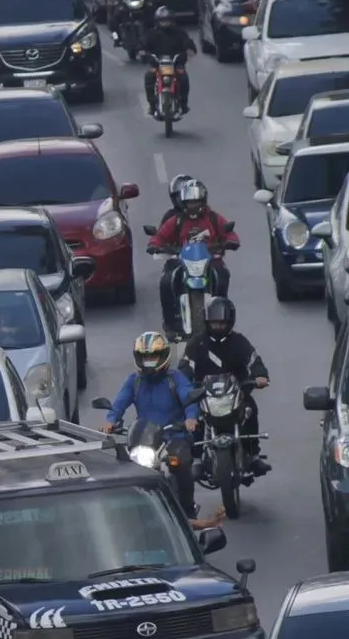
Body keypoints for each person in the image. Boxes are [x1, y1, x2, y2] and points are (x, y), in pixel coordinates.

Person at [102, 331, 199, 515]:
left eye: (153, 357)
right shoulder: (135, 381)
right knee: (123, 467)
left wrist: (191, 418)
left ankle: (188, 510)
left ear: (163, 356)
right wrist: (111, 421)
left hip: (173, 437)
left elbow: (189, 398)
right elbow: (120, 403)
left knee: (182, 464)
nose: (149, 361)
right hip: (145, 439)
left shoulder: (175, 378)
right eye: (145, 357)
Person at [178, 297, 271, 474]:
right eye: (214, 323)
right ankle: (197, 457)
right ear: (207, 321)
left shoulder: (239, 342)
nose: (218, 327)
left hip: (236, 394)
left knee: (250, 409)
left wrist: (260, 376)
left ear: (230, 322)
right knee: (195, 417)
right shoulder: (196, 344)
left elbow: (254, 360)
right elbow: (185, 366)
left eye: (222, 323)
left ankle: (253, 455)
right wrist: (183, 381)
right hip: (205, 395)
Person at [148, 178, 238, 336]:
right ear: (183, 203)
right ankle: (171, 324)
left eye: (196, 202)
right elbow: (160, 236)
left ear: (202, 201)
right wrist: (154, 245)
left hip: (211, 259)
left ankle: (223, 317)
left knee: (223, 277)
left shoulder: (213, 218)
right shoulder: (176, 220)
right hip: (181, 260)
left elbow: (229, 232)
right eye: (189, 203)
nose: (193, 206)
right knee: (166, 281)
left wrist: (230, 241)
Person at [141, 5, 197, 117]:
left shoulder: (179, 33)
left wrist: (189, 49)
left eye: (166, 21)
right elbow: (143, 44)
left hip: (175, 64)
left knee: (183, 78)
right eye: (162, 21)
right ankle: (152, 105)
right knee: (148, 77)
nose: (165, 23)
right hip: (158, 65)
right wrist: (141, 51)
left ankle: (183, 103)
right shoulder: (151, 34)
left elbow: (187, 42)